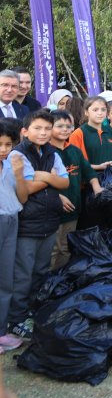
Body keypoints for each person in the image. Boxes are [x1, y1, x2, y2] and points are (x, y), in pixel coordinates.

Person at [7, 110, 73, 340]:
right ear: (25, 131)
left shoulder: (51, 152)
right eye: (38, 128)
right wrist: (50, 178)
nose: (43, 133)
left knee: (41, 271)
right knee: (23, 274)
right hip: (27, 224)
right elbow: (24, 191)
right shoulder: (18, 154)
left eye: (47, 128)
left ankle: (33, 311)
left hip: (49, 221)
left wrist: (42, 176)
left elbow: (64, 182)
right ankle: (16, 319)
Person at [48, 110, 101, 269]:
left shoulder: (74, 150)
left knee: (65, 248)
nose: (65, 129)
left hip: (73, 208)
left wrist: (97, 187)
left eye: (68, 126)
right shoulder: (46, 152)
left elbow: (88, 171)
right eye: (59, 126)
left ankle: (61, 278)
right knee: (52, 249)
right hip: (53, 210)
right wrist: (57, 196)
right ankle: (48, 279)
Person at [0, 118, 26, 351]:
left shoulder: (11, 165)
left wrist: (18, 174)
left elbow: (22, 197)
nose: (3, 149)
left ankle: (1, 332)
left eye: (8, 144)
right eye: (0, 144)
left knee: (6, 279)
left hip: (11, 220)